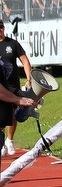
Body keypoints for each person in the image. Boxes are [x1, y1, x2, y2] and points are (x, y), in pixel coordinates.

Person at [0, 20, 30, 156]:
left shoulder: (12, 44)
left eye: (1, 27)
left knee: (12, 113)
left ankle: (10, 140)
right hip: (1, 86)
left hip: (12, 85)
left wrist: (29, 80)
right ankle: (1, 143)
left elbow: (24, 60)